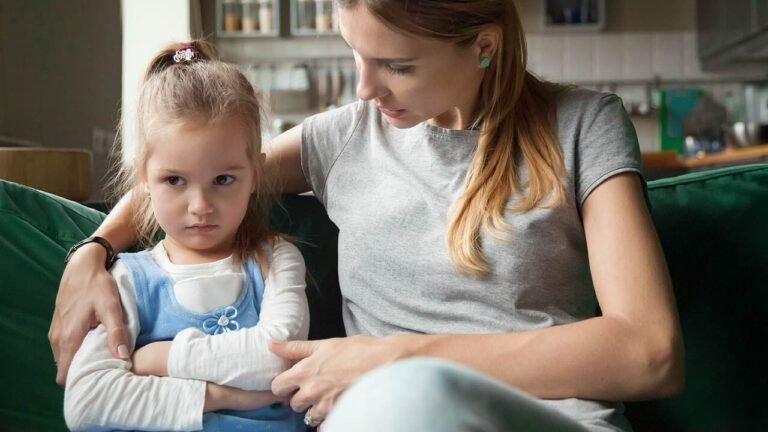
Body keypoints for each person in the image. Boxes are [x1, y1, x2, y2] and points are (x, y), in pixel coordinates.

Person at [52, 1, 685, 431]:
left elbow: (650, 351)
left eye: (398, 66)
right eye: (357, 54)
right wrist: (94, 251)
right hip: (376, 418)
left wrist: (398, 359)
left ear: (483, 47)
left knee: (416, 396)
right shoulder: (344, 138)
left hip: (531, 418)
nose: (365, 88)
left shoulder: (583, 126)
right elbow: (196, 176)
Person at [62, 41, 309, 431]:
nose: (200, 205)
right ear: (144, 177)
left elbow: (279, 357)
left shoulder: (275, 259)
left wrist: (160, 360)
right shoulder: (127, 278)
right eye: (174, 180)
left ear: (255, 175)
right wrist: (223, 396)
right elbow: (87, 402)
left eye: (223, 179)